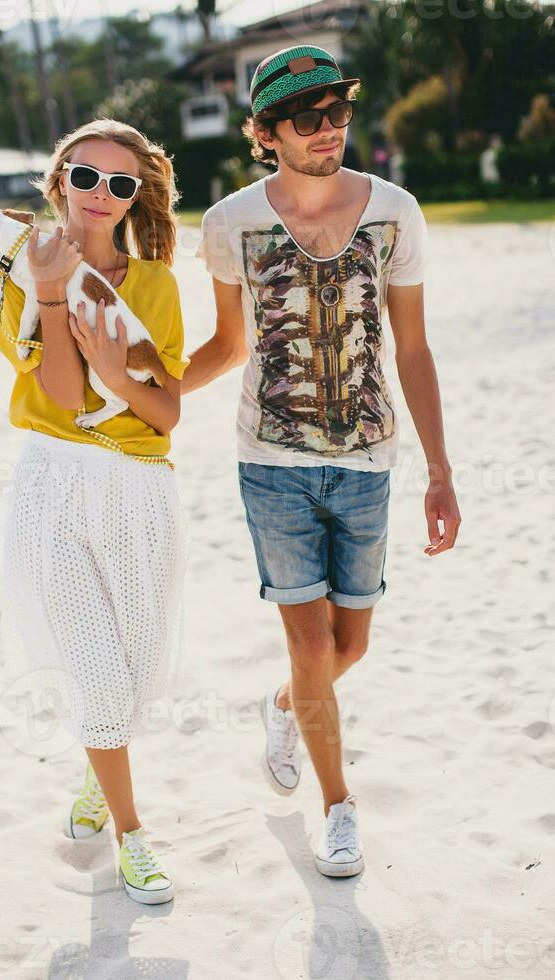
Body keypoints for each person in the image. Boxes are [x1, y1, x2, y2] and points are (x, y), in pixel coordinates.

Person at [185, 46, 461, 877]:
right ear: (266, 133)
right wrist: (149, 390)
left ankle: (281, 706)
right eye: (308, 119)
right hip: (269, 463)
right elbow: (231, 346)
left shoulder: (395, 210)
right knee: (311, 649)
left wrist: (440, 472)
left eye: (338, 111)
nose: (330, 129)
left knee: (350, 647)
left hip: (370, 461)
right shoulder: (229, 223)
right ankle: (338, 805)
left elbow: (412, 348)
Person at [0, 118, 190, 905]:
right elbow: (67, 401)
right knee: (100, 682)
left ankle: (94, 778)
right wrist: (48, 290)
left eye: (120, 183)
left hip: (141, 491)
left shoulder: (156, 286)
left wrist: (118, 364)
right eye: (85, 178)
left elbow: (167, 414)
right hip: (55, 488)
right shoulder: (18, 276)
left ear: (136, 195)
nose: (100, 196)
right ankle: (132, 834)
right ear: (57, 183)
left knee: (136, 678)